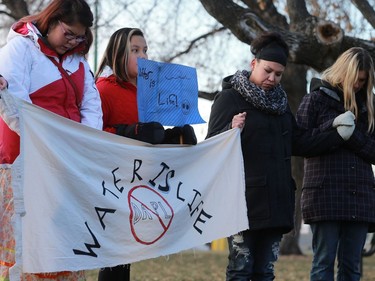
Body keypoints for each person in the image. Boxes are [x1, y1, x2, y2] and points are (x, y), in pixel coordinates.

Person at [205, 31, 343, 281]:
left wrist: (338, 133)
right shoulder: (229, 99)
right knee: (240, 270)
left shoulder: (281, 106)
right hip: (242, 203)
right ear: (253, 63)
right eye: (267, 70)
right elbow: (211, 146)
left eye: (278, 74)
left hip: (277, 202)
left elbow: (300, 142)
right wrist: (230, 131)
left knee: (265, 272)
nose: (272, 78)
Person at [0, 0, 102, 280]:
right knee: (29, 248)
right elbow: (14, 106)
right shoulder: (20, 49)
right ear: (52, 21)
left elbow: (92, 107)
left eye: (80, 36)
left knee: (65, 247)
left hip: (67, 166)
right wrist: (53, 145)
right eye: (69, 33)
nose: (74, 41)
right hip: (26, 161)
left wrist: (83, 143)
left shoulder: (79, 61)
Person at [95, 27, 197, 281]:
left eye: (145, 50)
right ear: (118, 53)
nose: (143, 56)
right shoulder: (103, 89)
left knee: (126, 259)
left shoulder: (150, 92)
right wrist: (133, 131)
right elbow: (93, 134)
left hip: (140, 182)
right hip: (111, 182)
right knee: (114, 260)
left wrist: (174, 138)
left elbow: (153, 137)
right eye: (135, 50)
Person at [295, 47, 375, 281]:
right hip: (324, 195)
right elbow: (299, 144)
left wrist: (353, 136)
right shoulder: (315, 100)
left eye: (364, 80)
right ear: (343, 73)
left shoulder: (368, 108)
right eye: (356, 79)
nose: (359, 85)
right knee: (323, 263)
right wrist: (332, 130)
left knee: (352, 268)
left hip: (359, 197)